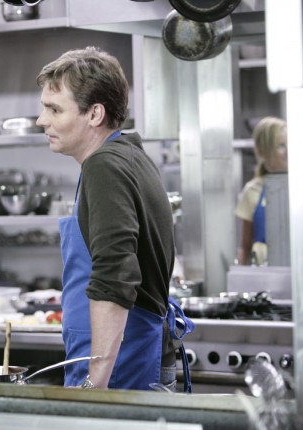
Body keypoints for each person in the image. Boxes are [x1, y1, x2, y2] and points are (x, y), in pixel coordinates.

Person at [35, 46, 193, 391]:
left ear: (94, 113)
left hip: (119, 364)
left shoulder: (104, 166)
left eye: (54, 109)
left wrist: (95, 383)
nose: (41, 120)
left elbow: (115, 272)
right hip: (125, 354)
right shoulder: (128, 156)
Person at [235, 117, 288, 266]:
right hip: (264, 273)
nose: (288, 152)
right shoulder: (252, 190)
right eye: (281, 146)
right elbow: (245, 247)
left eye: (290, 144)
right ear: (263, 151)